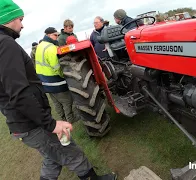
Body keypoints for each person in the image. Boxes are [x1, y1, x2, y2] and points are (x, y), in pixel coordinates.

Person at [0, 0, 117, 179]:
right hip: (31, 124)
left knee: (52, 158)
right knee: (71, 152)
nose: (22, 25)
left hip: (23, 123)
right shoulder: (5, 44)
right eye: (20, 19)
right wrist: (51, 124)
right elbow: (19, 93)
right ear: (7, 18)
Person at [35, 27, 78, 124]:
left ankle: (63, 118)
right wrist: (65, 76)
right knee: (67, 100)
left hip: (44, 81)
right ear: (48, 35)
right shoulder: (51, 48)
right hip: (55, 80)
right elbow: (56, 67)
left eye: (58, 35)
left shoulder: (40, 46)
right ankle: (70, 119)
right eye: (55, 35)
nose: (57, 37)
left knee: (56, 102)